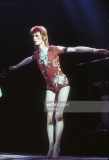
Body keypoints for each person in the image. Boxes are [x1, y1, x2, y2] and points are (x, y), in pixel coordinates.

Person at [9, 26, 109, 159]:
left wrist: (95, 50)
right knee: (49, 117)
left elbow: (75, 49)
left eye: (37, 36)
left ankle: (57, 146)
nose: (34, 38)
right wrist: (17, 66)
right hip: (50, 87)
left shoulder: (54, 49)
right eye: (33, 36)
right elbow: (28, 59)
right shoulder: (36, 55)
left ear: (44, 36)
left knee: (59, 115)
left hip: (63, 84)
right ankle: (51, 146)